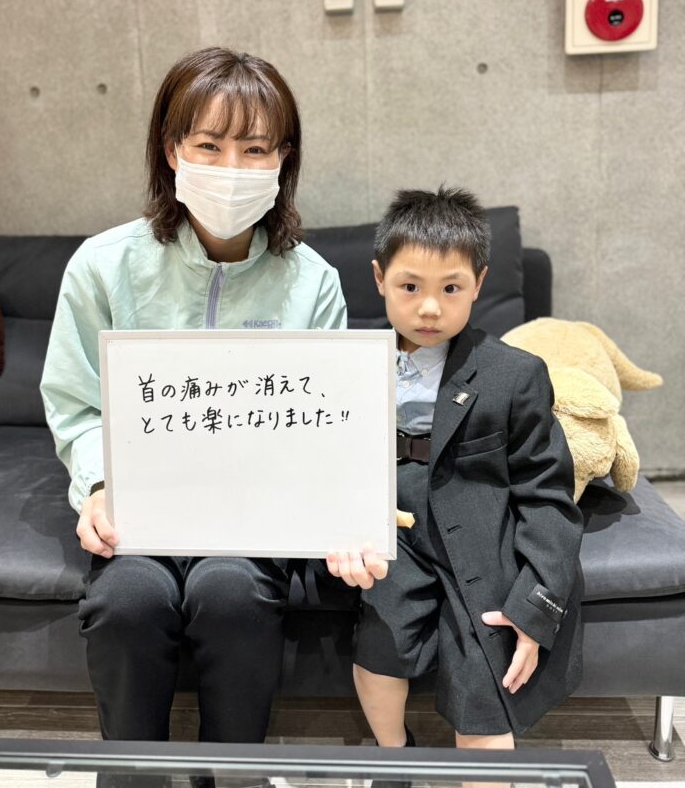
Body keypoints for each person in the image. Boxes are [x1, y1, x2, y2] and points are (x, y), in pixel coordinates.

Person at [40, 47, 374, 766]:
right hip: (143, 507)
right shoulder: (102, 265)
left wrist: (343, 512)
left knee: (230, 593)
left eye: (254, 149)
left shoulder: (312, 282)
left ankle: (235, 776)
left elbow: (329, 424)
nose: (232, 167)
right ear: (172, 151)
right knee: (126, 602)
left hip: (254, 516)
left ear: (283, 160)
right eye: (209, 146)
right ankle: (132, 780)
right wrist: (99, 485)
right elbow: (76, 403)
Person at [326, 187, 583, 769]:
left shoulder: (514, 374)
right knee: (378, 648)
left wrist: (538, 602)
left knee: (485, 670)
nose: (429, 309)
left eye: (450, 289)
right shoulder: (346, 364)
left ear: (479, 283)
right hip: (390, 526)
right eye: (409, 287)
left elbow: (548, 493)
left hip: (478, 529)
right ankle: (394, 760)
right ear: (379, 278)